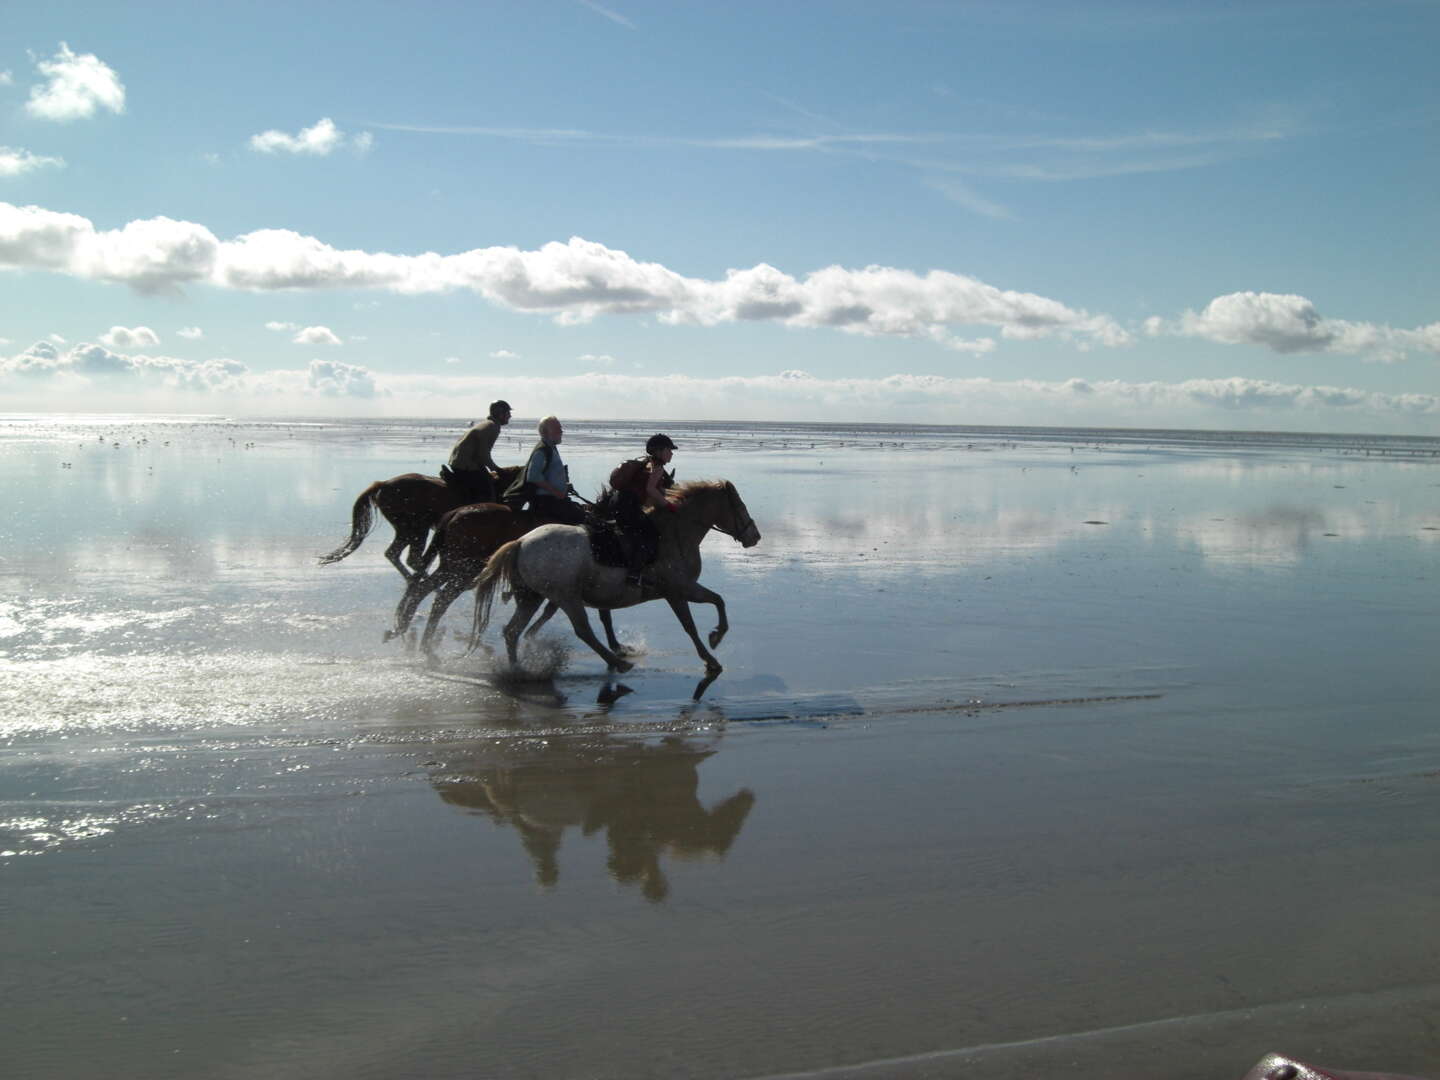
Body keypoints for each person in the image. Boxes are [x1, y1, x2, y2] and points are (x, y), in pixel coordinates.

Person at [608, 433, 677, 586]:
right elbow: (651, 490)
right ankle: (634, 574)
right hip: (628, 506)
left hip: (617, 502)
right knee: (651, 535)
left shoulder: (645, 462)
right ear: (659, 451)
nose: (671, 453)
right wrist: (668, 505)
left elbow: (655, 491)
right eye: (669, 449)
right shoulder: (657, 467)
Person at [505, 415, 586, 524]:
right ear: (546, 432)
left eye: (560, 428)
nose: (561, 431)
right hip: (547, 502)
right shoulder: (542, 450)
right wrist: (558, 493)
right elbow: (533, 476)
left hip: (554, 499)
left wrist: (564, 487)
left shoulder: (550, 447)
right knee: (582, 519)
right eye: (558, 429)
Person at [440, 400, 511, 503]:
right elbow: (483, 454)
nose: (510, 416)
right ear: (500, 414)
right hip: (466, 464)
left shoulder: (489, 424)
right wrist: (495, 469)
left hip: (462, 461)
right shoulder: (492, 427)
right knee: (487, 491)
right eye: (508, 413)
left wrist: (492, 468)